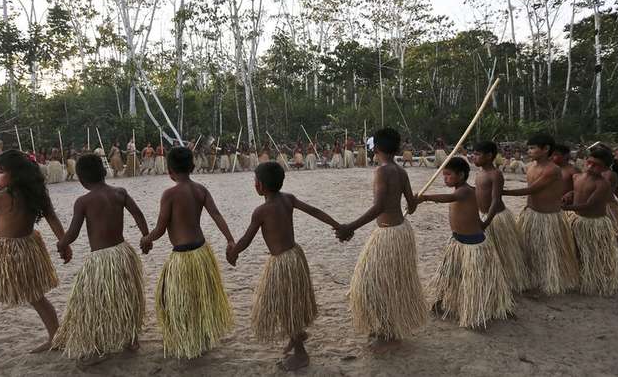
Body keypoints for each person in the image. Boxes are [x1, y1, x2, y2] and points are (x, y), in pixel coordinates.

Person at [0, 150, 72, 375]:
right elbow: (53, 219)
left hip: (5, 253)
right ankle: (56, 337)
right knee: (36, 296)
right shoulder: (37, 194)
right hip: (27, 249)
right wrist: (64, 243)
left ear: (15, 174)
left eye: (0, 171)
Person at [228, 162, 339, 370]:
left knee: (287, 306)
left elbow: (246, 238)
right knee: (291, 301)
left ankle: (300, 353)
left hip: (282, 263)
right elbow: (314, 211)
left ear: (259, 185)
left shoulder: (261, 211)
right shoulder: (288, 199)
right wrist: (337, 225)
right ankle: (296, 335)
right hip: (295, 256)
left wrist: (234, 252)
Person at [335, 128, 427, 354]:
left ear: (375, 148)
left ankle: (389, 334)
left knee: (374, 283)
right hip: (399, 232)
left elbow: (378, 207)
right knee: (386, 283)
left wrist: (350, 227)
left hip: (388, 235)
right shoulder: (400, 172)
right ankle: (385, 328)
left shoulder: (382, 171)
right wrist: (415, 201)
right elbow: (411, 207)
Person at [52, 154, 150, 363]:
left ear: (81, 178)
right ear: (103, 172)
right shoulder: (120, 192)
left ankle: (98, 347)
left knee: (97, 303)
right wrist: (145, 237)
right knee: (126, 297)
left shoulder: (83, 201)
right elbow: (139, 215)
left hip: (102, 260)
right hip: (123, 253)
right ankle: (131, 339)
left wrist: (62, 243)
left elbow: (73, 233)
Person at [139, 147, 234, 359]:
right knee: (200, 296)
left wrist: (146, 239)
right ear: (192, 167)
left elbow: (161, 228)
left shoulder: (169, 194)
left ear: (170, 171)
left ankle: (187, 337)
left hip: (182, 256)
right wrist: (229, 239)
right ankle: (200, 336)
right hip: (201, 252)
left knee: (169, 298)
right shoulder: (200, 189)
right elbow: (217, 214)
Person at [419, 157, 514, 327]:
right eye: (444, 175)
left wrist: (425, 197)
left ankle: (477, 312)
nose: (445, 178)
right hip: (457, 242)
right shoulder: (462, 190)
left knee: (474, 281)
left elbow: (449, 198)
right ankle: (442, 301)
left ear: (461, 175)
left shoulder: (465, 191)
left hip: (472, 244)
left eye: (448, 175)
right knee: (448, 274)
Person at [503, 133, 579, 295]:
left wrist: (502, 192)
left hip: (547, 217)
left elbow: (532, 189)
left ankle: (546, 283)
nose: (529, 150)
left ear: (546, 149)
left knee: (546, 253)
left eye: (532, 148)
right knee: (529, 249)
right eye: (528, 147)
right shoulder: (531, 166)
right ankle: (532, 280)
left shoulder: (552, 170)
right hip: (531, 214)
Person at [561, 148, 618, 296]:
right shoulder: (578, 177)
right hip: (577, 220)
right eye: (589, 162)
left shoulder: (603, 185)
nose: (590, 167)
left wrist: (566, 207)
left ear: (605, 168)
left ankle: (595, 280)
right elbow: (577, 192)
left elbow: (589, 204)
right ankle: (577, 278)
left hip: (593, 223)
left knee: (593, 254)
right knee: (576, 250)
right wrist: (569, 195)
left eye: (596, 165)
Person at [472, 141, 530, 292]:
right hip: (484, 215)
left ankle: (509, 281)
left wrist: (486, 222)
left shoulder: (495, 174)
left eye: (478, 154)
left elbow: (495, 200)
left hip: (496, 217)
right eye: (474, 154)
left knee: (504, 253)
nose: (474, 157)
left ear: (489, 156)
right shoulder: (479, 173)